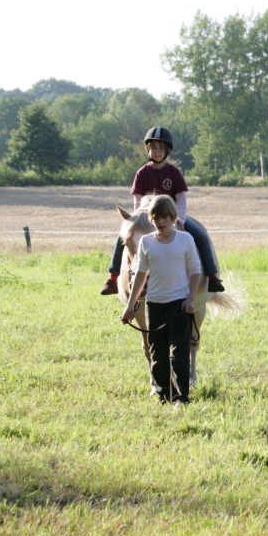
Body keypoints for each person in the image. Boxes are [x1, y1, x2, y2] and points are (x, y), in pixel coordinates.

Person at [100, 127, 224, 296]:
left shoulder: (174, 172)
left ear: (167, 151)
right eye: (153, 148)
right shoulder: (142, 173)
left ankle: (212, 276)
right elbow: (138, 199)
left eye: (160, 148)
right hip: (147, 219)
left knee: (201, 235)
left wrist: (178, 219)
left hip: (171, 218)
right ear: (148, 150)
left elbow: (181, 199)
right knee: (122, 239)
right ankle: (113, 279)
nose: (156, 152)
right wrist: (141, 218)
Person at [120, 195, 202, 406]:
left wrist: (191, 298)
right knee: (157, 353)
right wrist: (130, 307)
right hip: (154, 305)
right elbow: (140, 274)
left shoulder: (186, 239)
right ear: (151, 218)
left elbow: (195, 270)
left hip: (179, 304)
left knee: (179, 353)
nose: (161, 222)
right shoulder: (146, 242)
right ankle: (163, 395)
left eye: (166, 217)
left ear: (173, 218)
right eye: (157, 217)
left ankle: (181, 398)